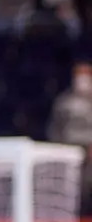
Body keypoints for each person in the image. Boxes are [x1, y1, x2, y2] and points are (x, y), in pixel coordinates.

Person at [47, 61, 92, 205]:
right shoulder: (63, 102)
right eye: (79, 74)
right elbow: (55, 130)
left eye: (86, 74)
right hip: (69, 152)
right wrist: (61, 151)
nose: (82, 79)